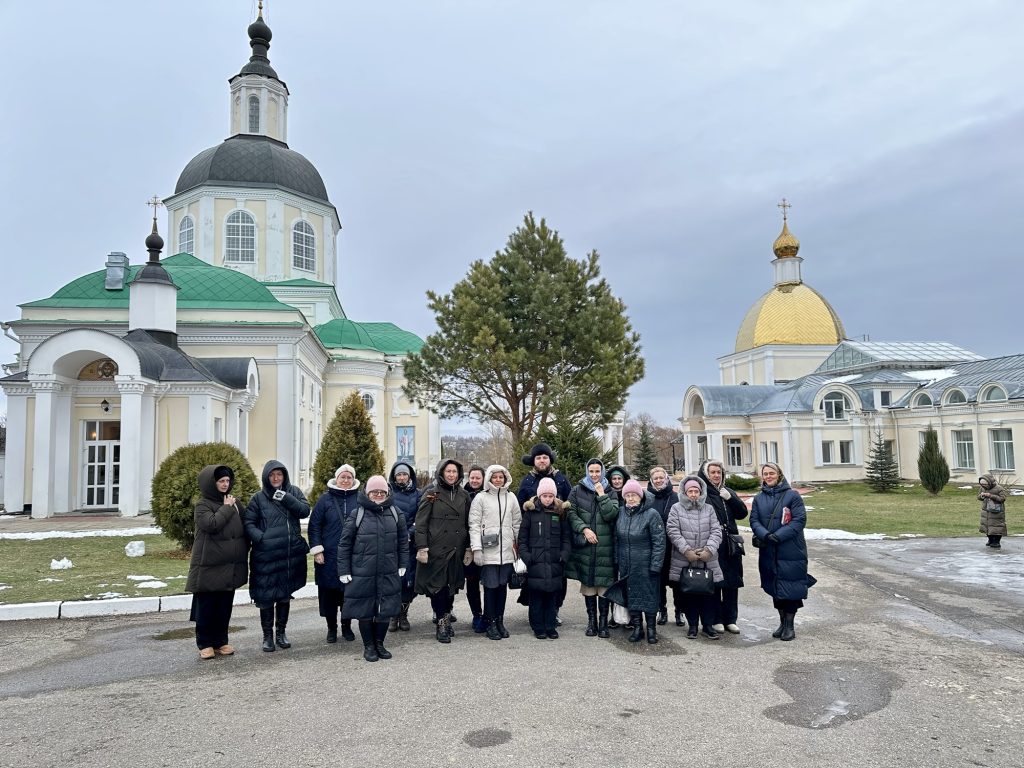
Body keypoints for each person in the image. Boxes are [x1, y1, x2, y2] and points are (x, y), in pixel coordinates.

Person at [337, 475, 409, 662]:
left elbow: (403, 542)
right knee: (365, 610)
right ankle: (369, 646)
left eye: (382, 492)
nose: (378, 494)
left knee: (385, 609)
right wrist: (344, 570)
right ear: (367, 493)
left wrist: (403, 563)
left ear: (387, 493)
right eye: (374, 492)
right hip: (363, 572)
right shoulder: (357, 514)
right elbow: (345, 544)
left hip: (388, 570)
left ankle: (380, 644)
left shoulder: (396, 513)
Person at [244, 460, 310, 652]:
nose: (275, 478)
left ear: (284, 476)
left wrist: (287, 498)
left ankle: (281, 633)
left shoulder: (294, 492)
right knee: (266, 597)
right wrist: (261, 538)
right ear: (266, 476)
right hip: (266, 556)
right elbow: (248, 523)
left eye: (279, 474)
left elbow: (304, 511)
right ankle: (267, 637)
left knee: (283, 596)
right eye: (272, 475)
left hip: (288, 556)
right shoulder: (258, 498)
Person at [186, 465, 248, 660]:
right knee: (207, 606)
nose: (225, 484)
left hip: (230, 565)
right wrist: (227, 508)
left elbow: (245, 526)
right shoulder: (202, 505)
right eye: (221, 481)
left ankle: (221, 641)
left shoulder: (235, 503)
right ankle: (204, 643)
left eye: (227, 481)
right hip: (209, 566)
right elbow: (211, 524)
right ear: (211, 483)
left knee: (224, 606)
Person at [749, 462, 814, 641]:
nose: (768, 476)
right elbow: (754, 520)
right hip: (769, 549)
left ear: (779, 475)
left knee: (790, 586)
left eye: (772, 473)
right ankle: (782, 622)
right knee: (775, 585)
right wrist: (765, 535)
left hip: (790, 549)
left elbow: (799, 520)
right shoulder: (759, 498)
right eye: (765, 474)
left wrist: (777, 536)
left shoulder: (792, 496)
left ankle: (789, 625)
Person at [415, 458, 471, 643]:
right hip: (436, 549)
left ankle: (446, 618)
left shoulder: (464, 495)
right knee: (437, 587)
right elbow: (421, 523)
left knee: (451, 587)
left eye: (454, 472)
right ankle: (441, 623)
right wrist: (422, 547)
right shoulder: (431, 493)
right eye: (448, 471)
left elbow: (468, 523)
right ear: (441, 473)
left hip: (457, 548)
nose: (451, 475)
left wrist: (469, 547)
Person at [516, 443, 572, 623]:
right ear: (534, 461)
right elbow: (519, 508)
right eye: (538, 458)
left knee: (558, 578)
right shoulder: (527, 481)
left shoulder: (561, 479)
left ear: (550, 460)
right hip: (535, 539)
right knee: (534, 579)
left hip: (555, 537)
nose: (542, 461)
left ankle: (554, 610)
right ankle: (536, 613)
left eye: (545, 457)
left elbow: (569, 505)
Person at [566, 458, 620, 638]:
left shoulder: (610, 491)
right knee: (588, 586)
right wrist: (584, 529)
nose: (594, 475)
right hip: (586, 547)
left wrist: (602, 495)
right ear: (587, 472)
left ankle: (603, 623)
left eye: (598, 471)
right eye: (591, 471)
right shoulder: (577, 490)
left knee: (604, 586)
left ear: (602, 472)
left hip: (606, 547)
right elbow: (571, 513)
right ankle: (592, 622)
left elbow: (611, 514)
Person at [468, 464, 522, 640]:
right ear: (489, 478)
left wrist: (518, 546)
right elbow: (474, 525)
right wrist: (476, 549)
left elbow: (517, 523)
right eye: (494, 477)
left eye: (501, 477)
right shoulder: (481, 498)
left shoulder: (511, 497)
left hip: (506, 551)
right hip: (488, 551)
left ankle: (500, 621)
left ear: (505, 478)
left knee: (502, 587)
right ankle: (490, 622)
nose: (498, 480)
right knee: (490, 587)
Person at [666, 476, 723, 640]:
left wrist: (708, 550)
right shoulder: (676, 508)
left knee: (709, 595)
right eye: (690, 491)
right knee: (689, 594)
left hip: (707, 560)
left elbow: (716, 531)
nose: (693, 494)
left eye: (696, 491)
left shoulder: (708, 509)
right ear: (684, 492)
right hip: (685, 559)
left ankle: (708, 625)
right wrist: (686, 551)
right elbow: (673, 531)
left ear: (701, 492)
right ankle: (692, 626)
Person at [308, 464, 360, 643]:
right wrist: (317, 550)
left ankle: (346, 626)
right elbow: (314, 525)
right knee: (329, 595)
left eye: (349, 477)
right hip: (328, 556)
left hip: (352, 556)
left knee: (349, 594)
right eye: (342, 477)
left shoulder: (360, 499)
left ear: (353, 479)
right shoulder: (325, 500)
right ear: (336, 479)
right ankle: (331, 628)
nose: (345, 480)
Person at [698, 460, 748, 634]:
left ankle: (731, 619)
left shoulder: (727, 492)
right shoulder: (703, 493)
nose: (716, 475)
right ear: (706, 474)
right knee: (714, 582)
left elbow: (742, 513)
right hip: (712, 543)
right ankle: (716, 618)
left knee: (732, 581)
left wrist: (731, 498)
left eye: (719, 472)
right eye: (712, 472)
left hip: (730, 543)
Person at [388, 462, 420, 631]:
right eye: (398, 475)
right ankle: (393, 615)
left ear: (409, 476)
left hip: (410, 544)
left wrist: (410, 533)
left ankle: (403, 613)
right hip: (391, 544)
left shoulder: (417, 494)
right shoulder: (388, 493)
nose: (401, 478)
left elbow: (420, 517)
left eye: (404, 474)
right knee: (393, 581)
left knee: (408, 581)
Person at [646, 466, 679, 626]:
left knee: (677, 581)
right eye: (655, 478)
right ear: (652, 481)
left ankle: (679, 611)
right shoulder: (648, 498)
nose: (659, 480)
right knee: (658, 581)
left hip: (674, 546)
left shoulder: (676, 497)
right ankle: (662, 610)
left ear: (666, 479)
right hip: (655, 546)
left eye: (661, 477)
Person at [463, 465, 487, 632]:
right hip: (468, 545)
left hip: (488, 544)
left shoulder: (488, 494)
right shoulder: (463, 495)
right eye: (472, 477)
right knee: (472, 582)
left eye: (478, 477)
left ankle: (489, 614)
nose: (475, 480)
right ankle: (476, 614)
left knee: (489, 581)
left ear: (483, 479)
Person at [978, 473, 1008, 549]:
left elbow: (1002, 498)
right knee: (987, 527)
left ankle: (996, 542)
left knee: (997, 527)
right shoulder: (982, 488)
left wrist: (991, 496)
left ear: (989, 482)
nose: (983, 486)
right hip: (986, 511)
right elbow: (978, 497)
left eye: (985, 484)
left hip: (997, 511)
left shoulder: (999, 488)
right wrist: (982, 496)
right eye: (982, 484)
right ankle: (990, 540)